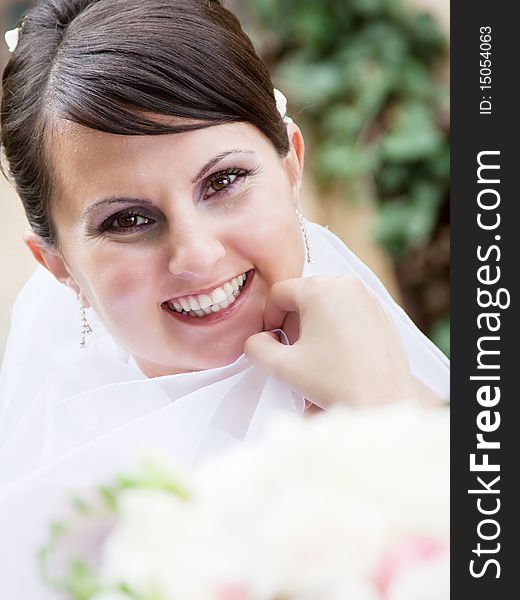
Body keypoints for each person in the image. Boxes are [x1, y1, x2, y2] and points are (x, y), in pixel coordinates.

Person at [0, 0, 449, 593]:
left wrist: (386, 410)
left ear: (292, 165)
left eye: (224, 181)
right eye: (128, 220)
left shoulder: (426, 411)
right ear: (57, 265)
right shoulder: (63, 514)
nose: (198, 256)